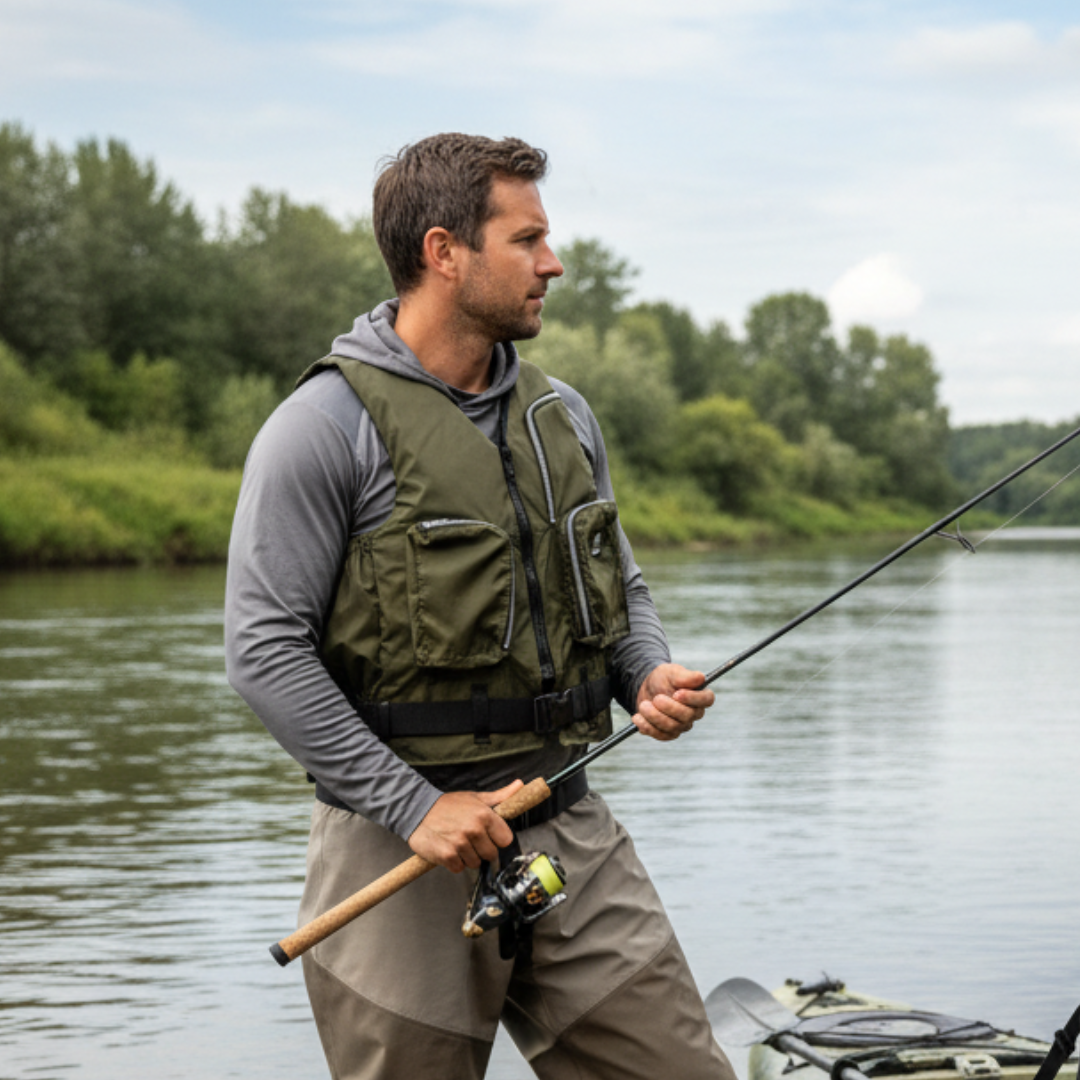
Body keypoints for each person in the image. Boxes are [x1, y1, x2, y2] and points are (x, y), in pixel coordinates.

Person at [225, 133, 734, 1080]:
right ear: (443, 251)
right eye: (527, 239)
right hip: (398, 853)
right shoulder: (320, 428)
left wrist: (645, 674)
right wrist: (415, 807)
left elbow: (619, 589)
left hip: (569, 829)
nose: (554, 261)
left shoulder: (566, 415)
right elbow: (262, 652)